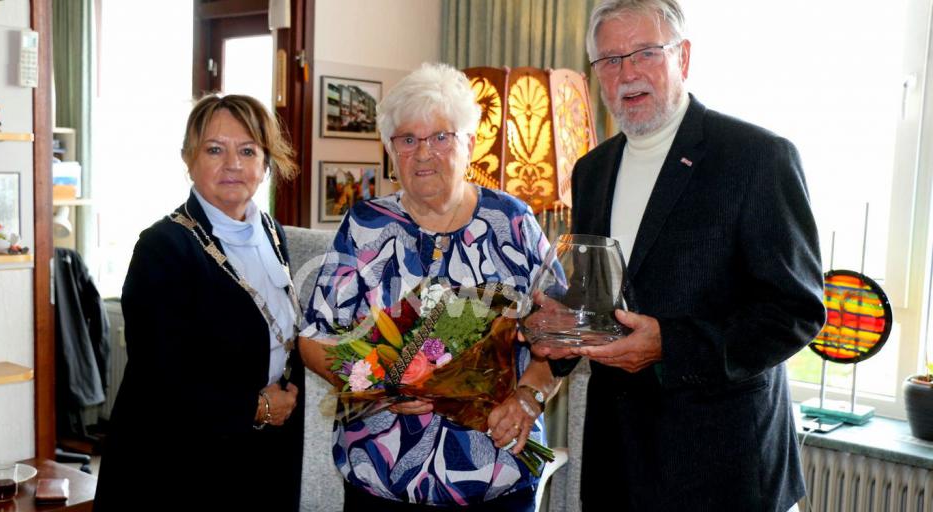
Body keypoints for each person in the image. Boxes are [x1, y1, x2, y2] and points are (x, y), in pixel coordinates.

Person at [534, 1, 827, 511]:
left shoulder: (757, 158)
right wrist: (565, 327)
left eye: (645, 53)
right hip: (617, 461)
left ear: (683, 58)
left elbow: (794, 312)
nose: (627, 73)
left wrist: (671, 345)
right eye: (610, 60)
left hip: (722, 466)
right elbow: (599, 300)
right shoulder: (591, 171)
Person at [299, 62, 558, 511]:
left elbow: (559, 337)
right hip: (381, 477)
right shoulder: (365, 226)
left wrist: (528, 398)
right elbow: (313, 339)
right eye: (407, 139)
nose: (424, 153)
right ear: (391, 150)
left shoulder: (513, 222)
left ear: (471, 144)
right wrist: (380, 385)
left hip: (496, 475)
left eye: (441, 137)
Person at [93, 94, 304, 511]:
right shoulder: (163, 247)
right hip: (180, 465)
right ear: (189, 159)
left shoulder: (272, 232)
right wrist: (257, 407)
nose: (233, 164)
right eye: (214, 150)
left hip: (260, 455)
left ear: (266, 163)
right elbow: (161, 379)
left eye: (247, 150)